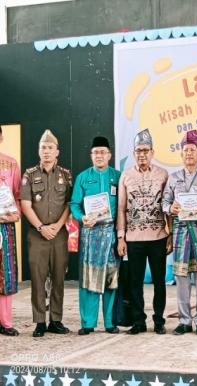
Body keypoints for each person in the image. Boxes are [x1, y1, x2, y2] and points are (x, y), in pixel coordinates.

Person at [162, 130, 197, 336]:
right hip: (180, 230)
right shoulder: (173, 178)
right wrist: (171, 209)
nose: (189, 153)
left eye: (192, 150)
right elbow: (164, 202)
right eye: (185, 150)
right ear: (181, 154)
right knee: (182, 277)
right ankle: (184, 320)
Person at [116, 129, 172, 335]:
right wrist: (121, 237)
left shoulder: (163, 175)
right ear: (133, 153)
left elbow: (168, 206)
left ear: (152, 152)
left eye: (145, 150)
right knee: (135, 282)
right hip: (133, 239)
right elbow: (121, 209)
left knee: (159, 281)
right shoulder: (126, 176)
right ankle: (139, 321)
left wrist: (171, 234)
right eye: (138, 151)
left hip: (158, 237)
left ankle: (159, 320)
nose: (142, 154)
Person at [20, 129, 72, 337]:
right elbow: (25, 205)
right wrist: (42, 227)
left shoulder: (65, 175)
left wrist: (58, 226)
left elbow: (69, 204)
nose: (47, 151)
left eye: (51, 148)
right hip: (37, 235)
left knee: (59, 277)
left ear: (57, 152)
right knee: (38, 278)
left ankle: (56, 320)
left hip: (59, 234)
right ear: (39, 151)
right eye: (43, 148)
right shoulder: (29, 175)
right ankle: (40, 321)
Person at [70, 136, 121, 335]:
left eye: (102, 152)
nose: (99, 155)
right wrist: (81, 218)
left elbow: (123, 206)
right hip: (90, 233)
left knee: (110, 278)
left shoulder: (117, 176)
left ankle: (109, 322)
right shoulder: (83, 177)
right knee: (89, 278)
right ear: (91, 155)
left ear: (109, 155)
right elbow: (74, 204)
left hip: (111, 233)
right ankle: (88, 323)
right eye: (95, 152)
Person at [0, 127, 21, 336]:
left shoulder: (11, 163)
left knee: (6, 273)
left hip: (5, 225)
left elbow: (17, 194)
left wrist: (16, 214)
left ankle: (5, 322)